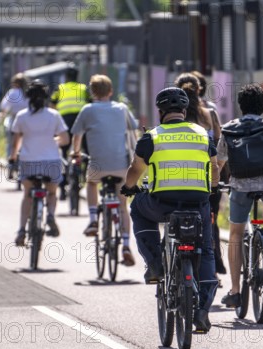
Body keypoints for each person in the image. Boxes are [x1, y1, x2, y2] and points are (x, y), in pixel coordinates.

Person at [121, 87, 219, 332]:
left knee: (138, 210)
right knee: (206, 251)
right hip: (197, 204)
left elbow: (136, 168)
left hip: (161, 203)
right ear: (185, 111)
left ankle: (155, 263)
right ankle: (203, 311)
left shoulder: (152, 137)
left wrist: (128, 187)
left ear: (161, 111)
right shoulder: (204, 135)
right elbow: (215, 169)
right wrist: (212, 190)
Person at [216, 83, 263, 308]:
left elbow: (220, 161)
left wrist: (218, 182)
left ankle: (236, 291)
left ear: (240, 106)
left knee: (235, 234)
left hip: (241, 185)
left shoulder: (228, 129)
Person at [71, 74, 138, 266]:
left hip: (98, 165)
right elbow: (133, 134)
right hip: (121, 165)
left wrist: (76, 153)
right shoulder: (122, 108)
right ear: (110, 91)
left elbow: (77, 135)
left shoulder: (87, 110)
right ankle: (125, 245)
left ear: (92, 92)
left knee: (91, 183)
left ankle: (93, 219)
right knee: (123, 206)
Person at [176, 72, 227, 281]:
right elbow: (219, 144)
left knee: (175, 220)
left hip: (177, 177)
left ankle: (173, 264)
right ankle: (212, 268)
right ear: (199, 90)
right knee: (209, 221)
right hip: (208, 178)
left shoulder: (174, 115)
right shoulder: (211, 114)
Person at [9, 80, 69, 246]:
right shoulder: (54, 115)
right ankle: (50, 215)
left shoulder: (21, 116)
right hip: (51, 162)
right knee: (51, 192)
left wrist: (12, 158)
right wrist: (53, 142)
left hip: (28, 162)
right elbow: (65, 139)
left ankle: (22, 230)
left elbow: (15, 143)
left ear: (28, 98)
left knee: (28, 194)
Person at [50, 64, 90, 200]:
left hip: (64, 122)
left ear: (66, 77)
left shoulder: (59, 89)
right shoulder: (83, 88)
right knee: (86, 151)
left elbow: (52, 106)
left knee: (62, 151)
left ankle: (62, 187)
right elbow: (90, 103)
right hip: (81, 121)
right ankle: (84, 175)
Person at [0, 73, 29, 159]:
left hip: (14, 120)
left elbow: (3, 106)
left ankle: (11, 161)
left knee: (11, 142)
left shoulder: (12, 93)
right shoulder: (28, 93)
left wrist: (4, 113)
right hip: (27, 122)